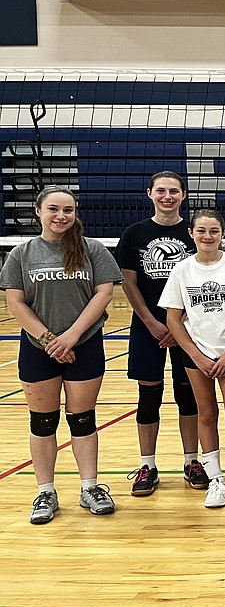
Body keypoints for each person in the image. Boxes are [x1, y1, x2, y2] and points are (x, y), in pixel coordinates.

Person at [2, 186, 122, 524]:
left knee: (82, 418)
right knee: (43, 421)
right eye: (54, 209)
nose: (61, 216)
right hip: (38, 348)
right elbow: (16, 302)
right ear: (39, 211)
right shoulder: (21, 254)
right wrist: (48, 339)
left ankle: (90, 487)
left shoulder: (91, 249)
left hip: (83, 344)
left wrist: (70, 337)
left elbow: (103, 293)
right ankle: (45, 492)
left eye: (68, 210)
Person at [160, 210, 225, 512]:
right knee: (205, 414)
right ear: (191, 233)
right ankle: (216, 479)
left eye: (214, 231)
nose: (207, 236)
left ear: (222, 234)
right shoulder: (182, 270)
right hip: (197, 356)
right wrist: (195, 355)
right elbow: (173, 318)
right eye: (201, 231)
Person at [114, 171, 199, 497]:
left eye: (173, 191)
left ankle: (192, 461)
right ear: (149, 193)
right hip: (147, 326)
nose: (167, 196)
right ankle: (147, 465)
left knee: (186, 394)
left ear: (183, 195)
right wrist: (150, 321)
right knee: (149, 396)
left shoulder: (194, 232)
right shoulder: (135, 233)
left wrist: (180, 324)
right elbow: (129, 283)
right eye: (161, 190)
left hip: (189, 327)